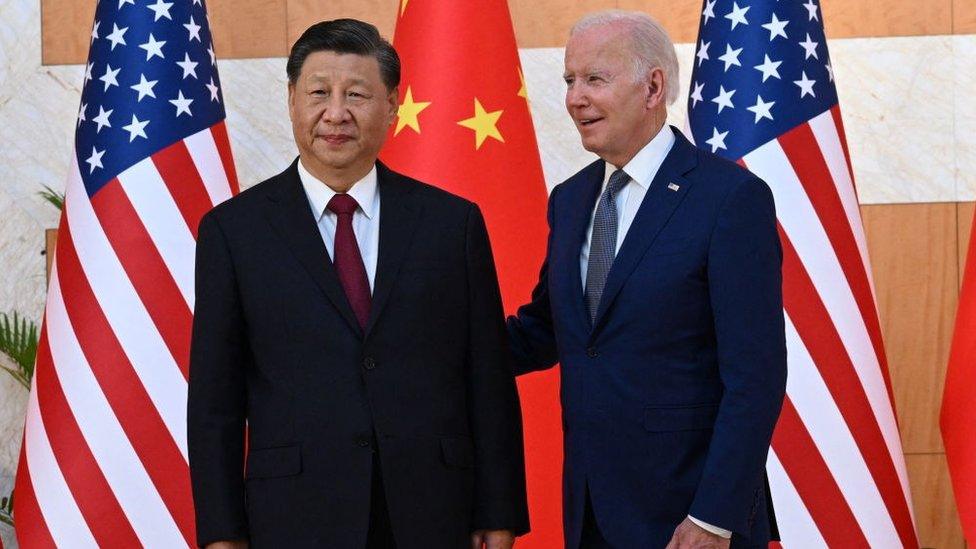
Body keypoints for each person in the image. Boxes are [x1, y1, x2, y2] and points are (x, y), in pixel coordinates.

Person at [188, 19, 529, 549]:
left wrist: (498, 508)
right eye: (319, 93)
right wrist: (222, 533)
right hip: (294, 516)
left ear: (392, 104)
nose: (336, 113)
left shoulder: (451, 224)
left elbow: (486, 376)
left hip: (433, 509)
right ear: (292, 100)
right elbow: (215, 401)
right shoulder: (234, 231)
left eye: (358, 94)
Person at [507, 11, 787, 549]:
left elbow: (755, 378)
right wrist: (434, 336)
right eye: (569, 80)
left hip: (691, 519)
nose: (574, 98)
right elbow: (549, 331)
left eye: (594, 79)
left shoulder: (728, 199)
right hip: (591, 512)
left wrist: (714, 517)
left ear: (653, 86)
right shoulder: (569, 200)